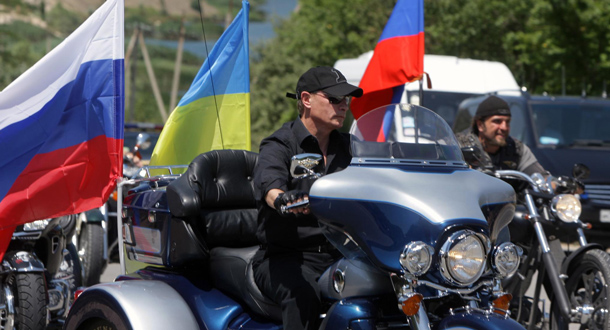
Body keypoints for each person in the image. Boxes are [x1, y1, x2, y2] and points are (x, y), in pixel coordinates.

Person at [252, 66, 363, 330]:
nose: (344, 106)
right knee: (302, 295)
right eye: (334, 99)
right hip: (286, 257)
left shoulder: (352, 148)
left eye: (346, 100)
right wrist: (282, 200)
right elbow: (269, 184)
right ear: (306, 99)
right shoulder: (280, 144)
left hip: (341, 254)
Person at [455, 95, 547, 176]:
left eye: (507, 122)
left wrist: (554, 185)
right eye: (497, 121)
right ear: (480, 125)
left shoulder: (517, 149)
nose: (504, 127)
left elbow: (540, 177)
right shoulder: (457, 145)